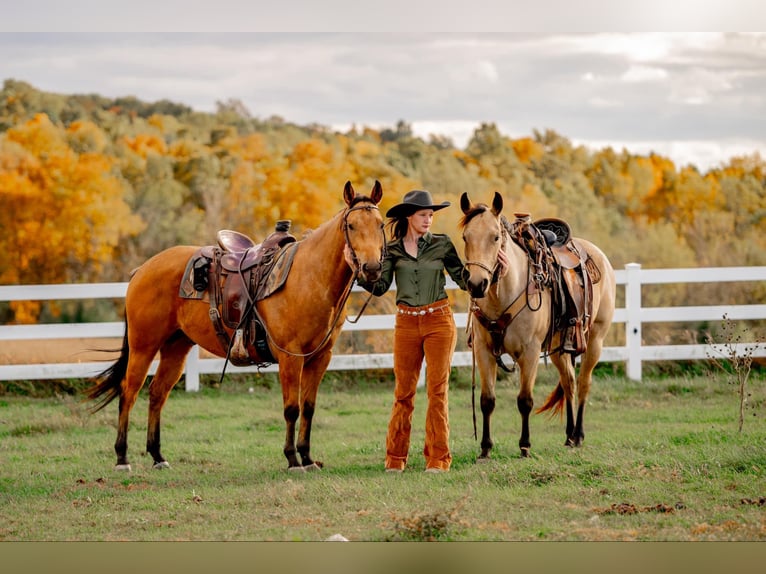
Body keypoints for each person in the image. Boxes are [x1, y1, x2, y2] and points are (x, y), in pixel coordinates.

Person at [349, 189, 507, 474]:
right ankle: (395, 458)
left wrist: (494, 272)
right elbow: (381, 287)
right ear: (410, 217)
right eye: (423, 215)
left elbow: (463, 279)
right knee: (403, 393)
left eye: (431, 215)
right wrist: (359, 273)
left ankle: (438, 459)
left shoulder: (442, 245)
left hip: (439, 323)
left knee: (437, 392)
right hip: (406, 324)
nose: (428, 220)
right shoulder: (393, 249)